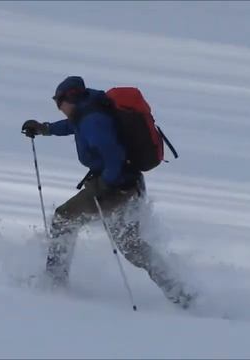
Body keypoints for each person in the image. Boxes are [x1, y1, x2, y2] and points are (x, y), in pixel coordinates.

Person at [21, 76, 193, 308]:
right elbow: (73, 126)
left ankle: (54, 282)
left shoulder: (93, 120)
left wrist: (105, 185)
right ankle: (181, 293)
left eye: (57, 102)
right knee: (132, 246)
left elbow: (114, 156)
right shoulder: (90, 106)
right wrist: (45, 129)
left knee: (64, 218)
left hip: (115, 187)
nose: (58, 108)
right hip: (131, 184)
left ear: (67, 99)